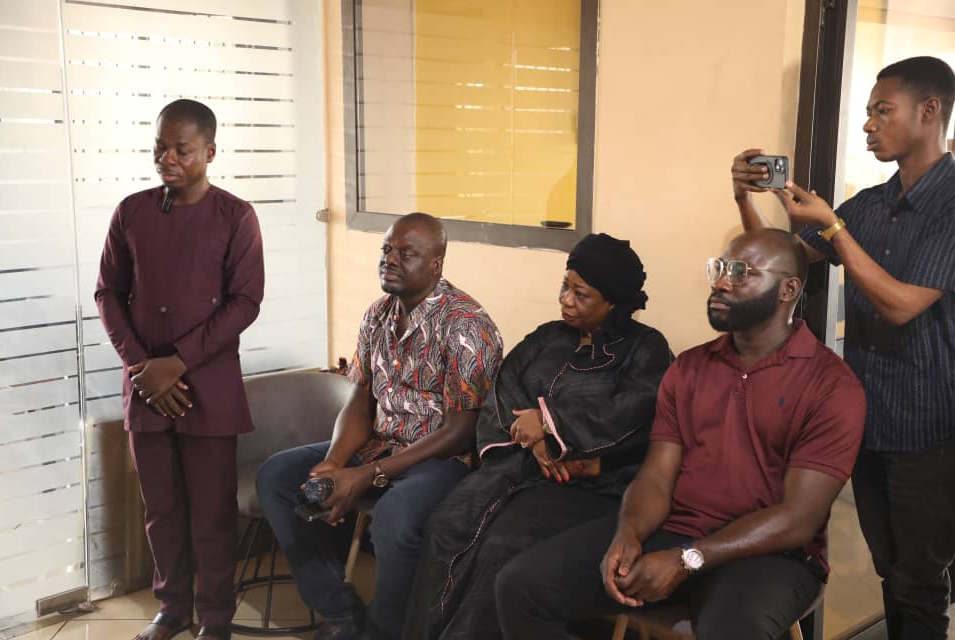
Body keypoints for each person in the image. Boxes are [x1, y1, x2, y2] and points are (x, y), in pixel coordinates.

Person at [493, 230, 865, 639]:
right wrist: (629, 533)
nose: (721, 282)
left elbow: (797, 520)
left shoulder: (831, 385)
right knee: (520, 587)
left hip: (770, 556)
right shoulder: (689, 368)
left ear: (788, 290)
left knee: (732, 631)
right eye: (719, 268)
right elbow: (656, 476)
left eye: (740, 272)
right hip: (676, 533)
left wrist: (688, 560)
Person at [732, 56, 955, 638]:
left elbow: (902, 305)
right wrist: (745, 200)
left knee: (920, 579)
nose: (868, 125)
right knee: (890, 569)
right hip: (867, 419)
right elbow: (779, 259)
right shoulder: (868, 206)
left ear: (929, 110)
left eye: (882, 111)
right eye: (868, 113)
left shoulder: (950, 205)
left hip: (932, 428)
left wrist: (834, 229)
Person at [402, 233, 672, 640]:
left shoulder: (646, 349)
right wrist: (536, 442)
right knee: (445, 526)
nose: (566, 299)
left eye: (581, 294)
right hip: (517, 466)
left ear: (613, 303)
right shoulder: (547, 337)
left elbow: (633, 412)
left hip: (588, 486)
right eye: (565, 286)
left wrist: (549, 422)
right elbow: (504, 389)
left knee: (502, 544)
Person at [255, 213, 503, 640]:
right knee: (276, 476)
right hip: (381, 443)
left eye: (406, 253)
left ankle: (384, 632)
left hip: (443, 458)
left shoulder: (467, 325)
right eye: (387, 249)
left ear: (436, 264)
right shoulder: (377, 316)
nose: (389, 259)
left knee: (393, 518)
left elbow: (461, 431)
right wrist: (334, 463)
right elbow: (360, 402)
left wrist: (368, 475)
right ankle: (341, 612)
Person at [95, 99, 265, 640]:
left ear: (209, 152)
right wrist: (141, 366)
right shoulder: (131, 212)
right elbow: (108, 293)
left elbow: (245, 302)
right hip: (145, 385)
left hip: (208, 388)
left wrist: (178, 363)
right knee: (160, 509)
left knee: (211, 512)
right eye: (159, 147)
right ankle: (172, 609)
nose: (166, 158)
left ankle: (215, 618)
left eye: (181, 150)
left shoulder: (236, 216)